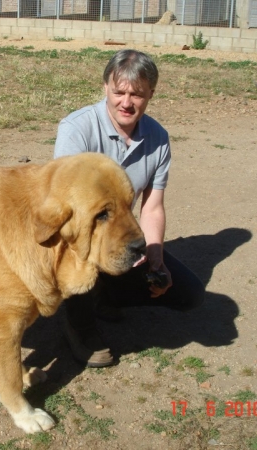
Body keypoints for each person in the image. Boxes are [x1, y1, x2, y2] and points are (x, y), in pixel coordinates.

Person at [54, 49, 205, 368]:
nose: (126, 102)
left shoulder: (158, 138)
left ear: (151, 93)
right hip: (79, 235)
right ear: (105, 87)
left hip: (120, 235)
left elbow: (152, 207)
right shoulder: (77, 129)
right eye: (119, 91)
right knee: (81, 252)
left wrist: (156, 257)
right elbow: (65, 207)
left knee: (187, 294)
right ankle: (79, 324)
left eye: (136, 93)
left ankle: (105, 296)